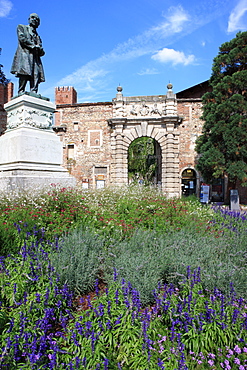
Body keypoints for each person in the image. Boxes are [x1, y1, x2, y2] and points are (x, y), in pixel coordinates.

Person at [11, 13, 45, 94]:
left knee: (36, 74)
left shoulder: (38, 37)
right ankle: (21, 90)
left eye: (36, 19)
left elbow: (41, 48)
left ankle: (34, 91)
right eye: (32, 18)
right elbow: (22, 39)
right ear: (29, 19)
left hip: (35, 58)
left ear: (38, 24)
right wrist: (33, 46)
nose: (34, 20)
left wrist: (40, 50)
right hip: (25, 55)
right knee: (24, 73)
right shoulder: (21, 27)